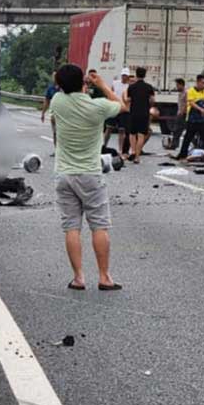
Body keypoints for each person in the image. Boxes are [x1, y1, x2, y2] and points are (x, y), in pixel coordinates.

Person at [49, 64, 128, 291]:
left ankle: (78, 278)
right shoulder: (98, 107)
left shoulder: (57, 102)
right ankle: (104, 277)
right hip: (90, 175)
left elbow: (64, 89)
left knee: (71, 227)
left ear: (61, 85)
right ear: (83, 82)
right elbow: (121, 106)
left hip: (64, 174)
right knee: (99, 226)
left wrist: (80, 84)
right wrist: (101, 84)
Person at [176, 72, 204, 160]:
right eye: (203, 83)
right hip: (192, 119)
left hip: (201, 119)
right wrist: (201, 109)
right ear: (197, 82)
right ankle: (182, 154)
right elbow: (191, 103)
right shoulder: (191, 91)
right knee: (188, 138)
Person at [124, 67, 156, 162]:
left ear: (136, 74)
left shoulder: (132, 87)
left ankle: (133, 151)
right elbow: (152, 100)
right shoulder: (149, 87)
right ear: (145, 75)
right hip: (144, 113)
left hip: (133, 112)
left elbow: (128, 100)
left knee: (132, 134)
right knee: (141, 135)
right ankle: (137, 157)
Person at [39, 71, 59, 148]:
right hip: (53, 114)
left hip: (63, 114)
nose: (55, 78)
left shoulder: (63, 87)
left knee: (61, 133)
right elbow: (47, 101)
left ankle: (61, 150)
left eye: (56, 76)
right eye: (54, 76)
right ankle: (56, 149)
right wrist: (43, 113)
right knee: (55, 133)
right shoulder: (51, 88)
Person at [169, 77, 188, 153]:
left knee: (179, 130)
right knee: (176, 130)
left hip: (183, 114)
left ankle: (175, 145)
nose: (176, 87)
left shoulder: (186, 92)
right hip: (179, 113)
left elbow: (187, 104)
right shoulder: (180, 93)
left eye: (177, 85)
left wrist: (182, 112)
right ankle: (174, 145)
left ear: (181, 85)